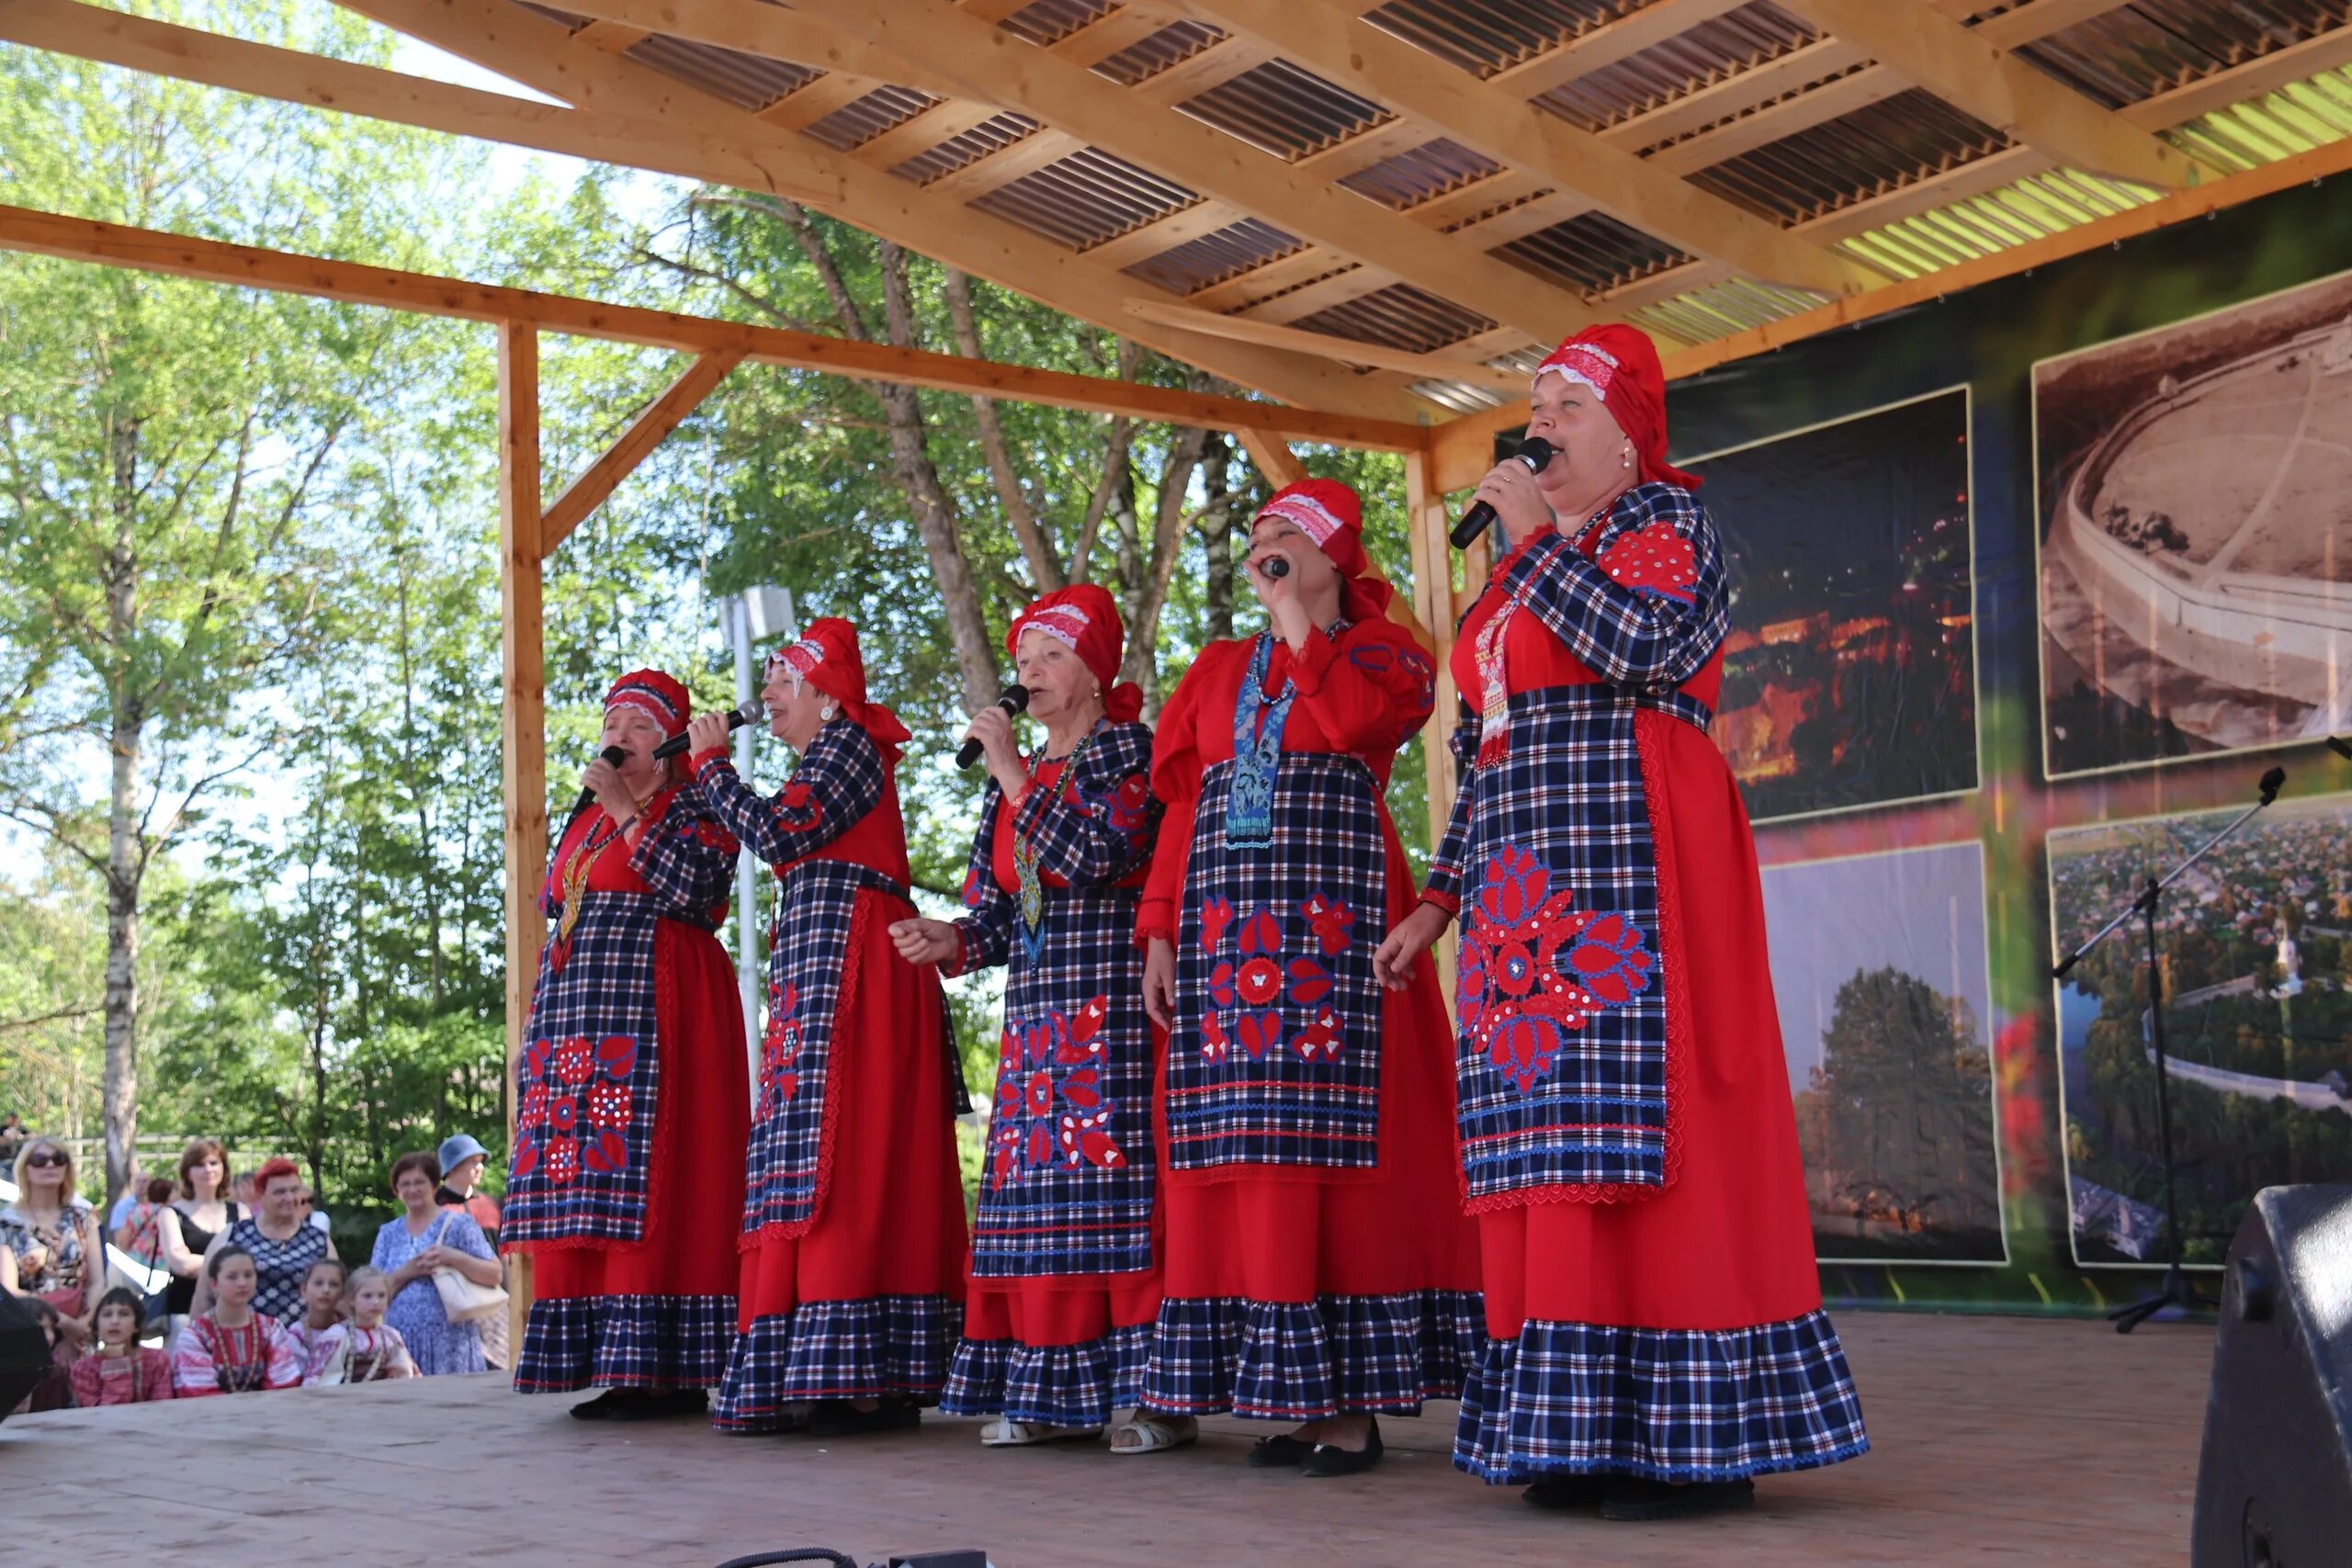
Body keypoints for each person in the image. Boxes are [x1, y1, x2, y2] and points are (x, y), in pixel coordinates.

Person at [1376, 325, 1869, 1521]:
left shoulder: (1667, 524)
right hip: (1519, 903)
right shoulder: (1515, 578)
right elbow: (1478, 748)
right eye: (1533, 400)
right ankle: (1575, 1428)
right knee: (1543, 1154)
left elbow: (1652, 643)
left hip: (1641, 861)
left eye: (1565, 402)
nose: (1538, 419)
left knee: (1656, 1135)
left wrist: (1539, 547)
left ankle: (1684, 1438)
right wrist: (1439, 896)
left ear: (1629, 429)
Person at [1130, 479, 1482, 1475]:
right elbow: (1185, 810)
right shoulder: (1212, 672)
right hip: (1221, 940)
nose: (1264, 547)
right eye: (1257, 537)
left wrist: (1295, 623)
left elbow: (1352, 725)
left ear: (1333, 556)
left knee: (1334, 1160)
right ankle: (1283, 1398)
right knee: (1234, 1154)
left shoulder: (1384, 652)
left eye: (1285, 535)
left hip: (1335, 938)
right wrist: (1158, 930)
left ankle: (1350, 1409)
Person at [891, 586, 1164, 1448]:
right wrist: (955, 939)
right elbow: (1009, 911)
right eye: (1024, 658)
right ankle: (1051, 1390)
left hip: (1114, 999)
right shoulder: (1022, 776)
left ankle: (1148, 1397)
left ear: (1093, 671)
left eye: (1050, 656)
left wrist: (1011, 769)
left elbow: (1094, 855)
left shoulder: (1130, 750)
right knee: (1037, 1194)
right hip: (1039, 1018)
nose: (1030, 673)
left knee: (1110, 1185)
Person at [682, 618, 967, 1436]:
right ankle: (826, 1369)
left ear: (825, 693)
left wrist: (709, 765)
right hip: (822, 979)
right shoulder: (826, 758)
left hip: (862, 978)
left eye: (781, 680)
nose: (765, 695)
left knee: (852, 1154)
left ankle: (862, 1377)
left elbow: (777, 832)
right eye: (767, 680)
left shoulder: (850, 748)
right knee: (811, 1159)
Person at [506, 671, 748, 1417]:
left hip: (658, 1003)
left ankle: (661, 1367)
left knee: (654, 1174)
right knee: (581, 1177)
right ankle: (603, 1358)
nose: (619, 734)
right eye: (613, 721)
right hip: (578, 1018)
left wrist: (627, 815)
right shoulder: (583, 817)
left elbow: (698, 886)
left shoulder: (699, 799)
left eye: (640, 724)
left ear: (673, 743)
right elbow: (558, 901)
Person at [374, 1151, 500, 1376]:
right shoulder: (388, 1233)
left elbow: (494, 1274)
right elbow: (372, 1290)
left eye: (419, 1182)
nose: (412, 1189)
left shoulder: (459, 1224)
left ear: (434, 1185)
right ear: (397, 1190)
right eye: (405, 1184)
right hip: (400, 1344)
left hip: (452, 1343)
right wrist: (405, 1272)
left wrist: (453, 1258)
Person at [1, 1136, 107, 1359]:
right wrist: (62, 1322)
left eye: (58, 1159)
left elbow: (97, 1281)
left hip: (81, 1335)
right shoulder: (8, 1223)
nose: (50, 1165)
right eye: (40, 1160)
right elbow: (9, 1290)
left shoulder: (84, 1217)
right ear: (25, 1169)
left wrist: (83, 1325)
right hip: (30, 1332)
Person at [195, 1157, 332, 1324]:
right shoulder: (234, 1235)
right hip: (244, 1341)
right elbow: (204, 1296)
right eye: (279, 1192)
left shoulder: (318, 1239)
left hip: (304, 1343)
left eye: (294, 1190)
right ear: (261, 1194)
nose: (289, 1198)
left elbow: (337, 1293)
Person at [172, 1248, 303, 1395]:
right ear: (214, 1283)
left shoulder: (272, 1329)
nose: (242, 1283)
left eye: (248, 1275)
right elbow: (199, 1393)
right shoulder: (195, 1335)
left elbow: (283, 1386)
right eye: (232, 1277)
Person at [157, 1139, 243, 1345]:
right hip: (183, 1312)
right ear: (188, 1172)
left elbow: (252, 1260)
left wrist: (201, 1262)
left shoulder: (241, 1212)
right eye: (199, 1164)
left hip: (234, 1312)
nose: (208, 1169)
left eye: (214, 1163)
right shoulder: (171, 1214)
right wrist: (230, 1267)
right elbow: (181, 1264)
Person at [435, 1133, 506, 1371]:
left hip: (494, 1299)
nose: (479, 1168)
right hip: (454, 1300)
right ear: (453, 1167)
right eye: (472, 1161)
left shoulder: (491, 1204)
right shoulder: (436, 1207)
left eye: (480, 1161)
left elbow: (504, 1250)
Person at [305, 1267, 419, 1384]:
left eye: (381, 1296)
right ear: (351, 1300)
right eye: (367, 1296)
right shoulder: (338, 1335)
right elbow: (325, 1377)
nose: (376, 1302)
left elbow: (404, 1371)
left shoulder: (390, 1336)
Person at [69, 1287, 176, 1406]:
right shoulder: (84, 1369)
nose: (114, 1321)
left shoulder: (157, 1360)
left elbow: (162, 1409)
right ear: (97, 1327)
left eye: (124, 1314)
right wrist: (116, 1364)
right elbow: (102, 1416)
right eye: (107, 1314)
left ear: (137, 1325)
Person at [283, 1257, 349, 1371]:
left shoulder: (350, 1331)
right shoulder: (296, 1334)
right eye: (318, 1283)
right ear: (304, 1290)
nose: (326, 1290)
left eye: (333, 1284)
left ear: (343, 1294)